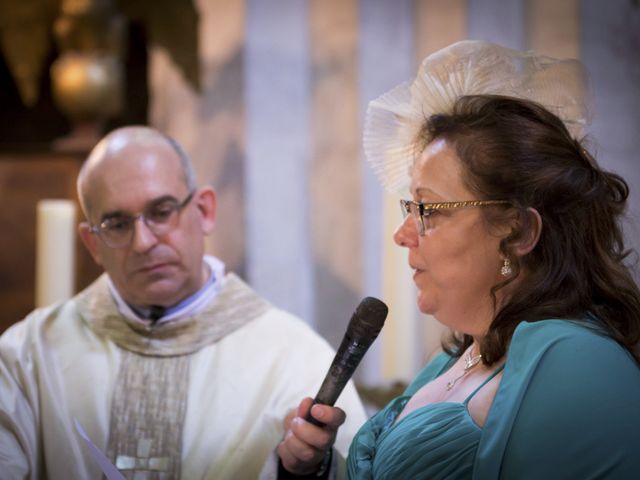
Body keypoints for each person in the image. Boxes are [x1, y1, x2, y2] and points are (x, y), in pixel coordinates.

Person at [280, 40, 640, 479]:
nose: (403, 235)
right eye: (408, 209)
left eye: (427, 210)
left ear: (519, 231)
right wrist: (312, 468)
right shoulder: (461, 356)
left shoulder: (578, 364)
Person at [0, 126, 367, 479]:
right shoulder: (27, 356)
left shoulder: (293, 359)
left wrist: (307, 470)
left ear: (205, 210)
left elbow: (354, 470)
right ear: (93, 243)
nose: (142, 242)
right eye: (117, 224)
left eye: (161, 212)